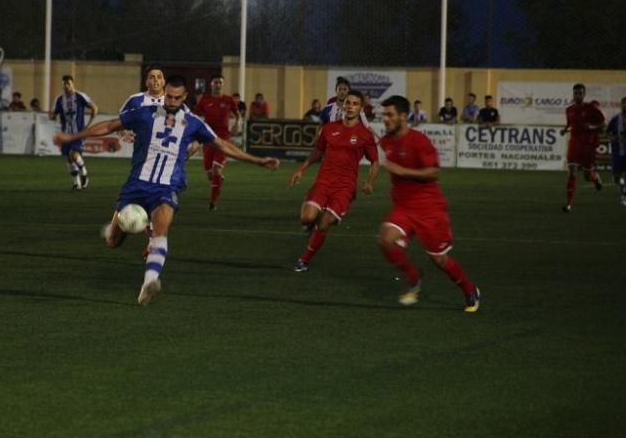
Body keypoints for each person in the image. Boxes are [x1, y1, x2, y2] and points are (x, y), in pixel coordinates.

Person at [52, 76, 279, 305]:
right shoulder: (144, 113)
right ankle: (115, 231)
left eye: (176, 98)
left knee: (160, 232)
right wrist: (73, 137)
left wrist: (257, 160)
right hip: (136, 185)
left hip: (167, 185)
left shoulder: (193, 123)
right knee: (113, 241)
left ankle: (149, 282)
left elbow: (222, 145)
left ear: (185, 97)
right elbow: (110, 125)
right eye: (168, 97)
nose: (171, 102)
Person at [376, 95, 481, 313]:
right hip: (403, 207)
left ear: (403, 117)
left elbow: (434, 172)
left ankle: (470, 289)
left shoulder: (418, 141)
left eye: (390, 114)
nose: (385, 119)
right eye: (383, 114)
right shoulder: (385, 142)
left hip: (429, 209)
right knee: (385, 240)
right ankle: (414, 279)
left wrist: (402, 171)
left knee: (439, 259)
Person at [289, 91, 379, 272]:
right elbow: (317, 152)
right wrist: (301, 170)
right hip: (323, 181)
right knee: (306, 218)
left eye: (355, 103)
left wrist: (369, 181)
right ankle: (315, 221)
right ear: (343, 105)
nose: (350, 106)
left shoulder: (365, 135)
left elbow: (375, 161)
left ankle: (304, 260)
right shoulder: (329, 128)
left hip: (345, 187)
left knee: (323, 223)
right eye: (348, 103)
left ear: (361, 108)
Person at [193, 74, 241, 211]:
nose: (218, 84)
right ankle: (218, 180)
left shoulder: (228, 100)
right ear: (211, 84)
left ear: (222, 84)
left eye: (220, 82)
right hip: (208, 138)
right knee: (210, 174)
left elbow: (237, 114)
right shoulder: (205, 100)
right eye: (215, 82)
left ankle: (213, 203)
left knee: (215, 169)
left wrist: (237, 123)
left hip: (223, 139)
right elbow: (195, 114)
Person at [560, 83, 605, 212]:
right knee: (572, 172)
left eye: (580, 93)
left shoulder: (590, 108)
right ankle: (569, 204)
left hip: (588, 145)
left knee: (586, 176)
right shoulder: (569, 110)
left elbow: (603, 125)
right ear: (573, 94)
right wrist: (565, 130)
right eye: (576, 93)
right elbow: (570, 124)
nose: (578, 95)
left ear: (584, 94)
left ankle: (595, 177)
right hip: (574, 143)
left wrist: (592, 127)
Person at [51, 74, 98, 190]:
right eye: (64, 84)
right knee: (69, 158)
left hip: (79, 132)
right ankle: (76, 183)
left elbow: (94, 108)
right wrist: (53, 116)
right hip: (65, 133)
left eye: (68, 84)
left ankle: (84, 173)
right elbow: (54, 114)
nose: (66, 86)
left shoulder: (80, 96)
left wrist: (88, 124)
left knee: (73, 154)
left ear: (73, 84)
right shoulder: (59, 99)